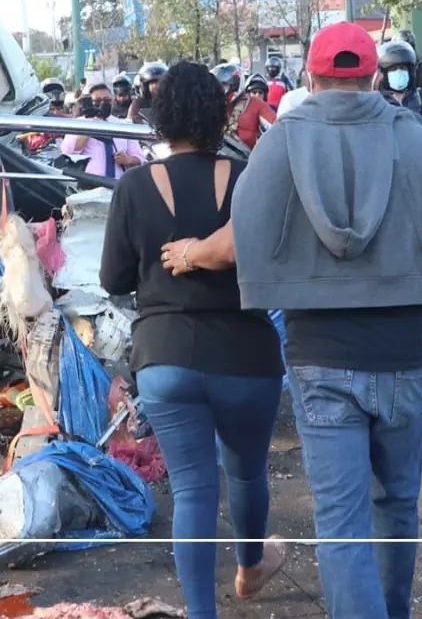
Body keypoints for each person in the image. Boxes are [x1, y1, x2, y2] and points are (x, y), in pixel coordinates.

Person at [161, 22, 422, 618]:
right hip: (405, 353)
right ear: (374, 75)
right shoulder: (420, 141)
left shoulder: (281, 143)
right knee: (398, 504)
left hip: (320, 355)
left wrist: (191, 253)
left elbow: (242, 240)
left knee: (341, 521)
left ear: (312, 76)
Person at [99, 61, 287, 619]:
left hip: (165, 357)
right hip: (247, 355)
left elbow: (113, 281)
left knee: (193, 491)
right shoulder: (246, 174)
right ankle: (250, 568)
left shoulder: (133, 187)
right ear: (219, 114)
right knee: (248, 472)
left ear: (160, 117)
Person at [61, 83, 146, 178]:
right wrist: (91, 126)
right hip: (88, 185)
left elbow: (140, 158)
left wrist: (127, 160)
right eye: (97, 100)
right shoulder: (78, 124)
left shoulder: (123, 126)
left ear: (113, 101)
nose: (102, 104)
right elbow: (68, 152)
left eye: (106, 100)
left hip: (117, 184)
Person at [214, 63, 274, 150]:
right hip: (213, 159)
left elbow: (278, 129)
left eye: (224, 86)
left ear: (235, 84)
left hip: (246, 160)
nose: (220, 90)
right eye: (218, 86)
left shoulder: (255, 103)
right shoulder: (209, 105)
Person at [128, 61, 168, 126]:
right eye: (153, 83)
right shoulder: (137, 104)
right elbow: (130, 126)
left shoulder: (172, 103)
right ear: (144, 86)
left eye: (160, 83)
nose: (157, 86)